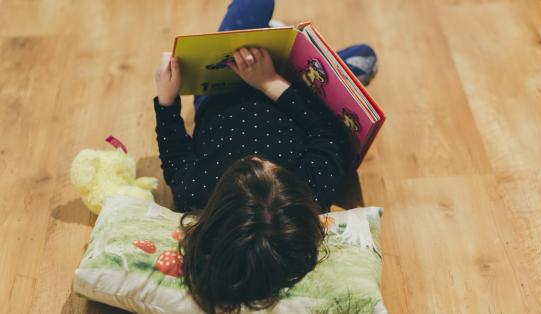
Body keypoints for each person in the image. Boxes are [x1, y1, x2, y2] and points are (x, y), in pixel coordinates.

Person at [153, 1, 377, 312]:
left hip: (222, 86)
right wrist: (270, 82)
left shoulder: (195, 191)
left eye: (245, 168)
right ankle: (297, 54)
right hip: (291, 90)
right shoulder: (311, 190)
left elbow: (174, 152)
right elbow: (327, 130)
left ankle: (277, 42)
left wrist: (167, 99)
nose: (257, 158)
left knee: (254, 4)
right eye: (272, 169)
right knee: (364, 56)